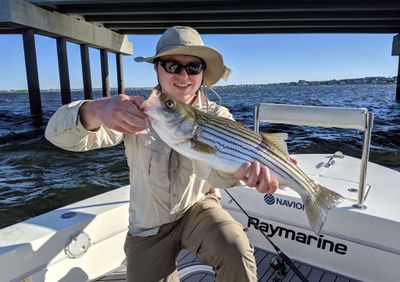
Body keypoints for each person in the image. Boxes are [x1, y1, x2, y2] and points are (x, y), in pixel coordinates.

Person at [45, 26, 280, 282]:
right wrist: (95, 111)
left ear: (202, 73)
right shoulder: (133, 111)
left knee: (235, 248)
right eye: (172, 65)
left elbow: (219, 178)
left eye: (193, 67)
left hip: (197, 207)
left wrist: (240, 174)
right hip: (148, 224)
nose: (184, 75)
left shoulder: (218, 118)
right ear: (156, 67)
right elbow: (57, 136)